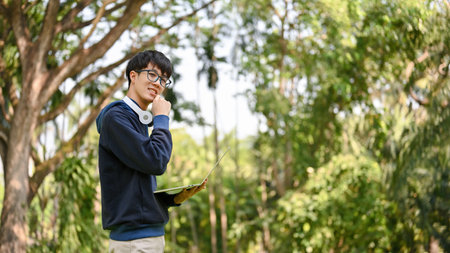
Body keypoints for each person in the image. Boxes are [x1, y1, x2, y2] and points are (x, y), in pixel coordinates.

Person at [96, 49, 206, 252]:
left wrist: (174, 198)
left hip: (145, 238)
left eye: (164, 79)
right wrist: (161, 119)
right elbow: (156, 161)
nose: (158, 83)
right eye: (152, 74)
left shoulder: (137, 121)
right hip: (136, 241)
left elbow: (134, 184)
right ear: (133, 75)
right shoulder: (117, 118)